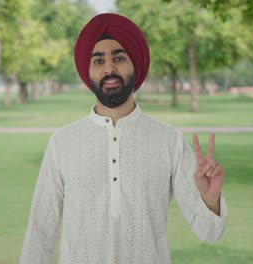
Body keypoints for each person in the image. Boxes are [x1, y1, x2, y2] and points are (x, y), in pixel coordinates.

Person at [19, 13, 227, 264]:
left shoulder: (169, 141)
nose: (109, 69)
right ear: (88, 71)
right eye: (98, 61)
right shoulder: (62, 142)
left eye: (118, 58)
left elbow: (210, 232)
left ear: (135, 64)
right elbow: (41, 231)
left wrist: (211, 198)